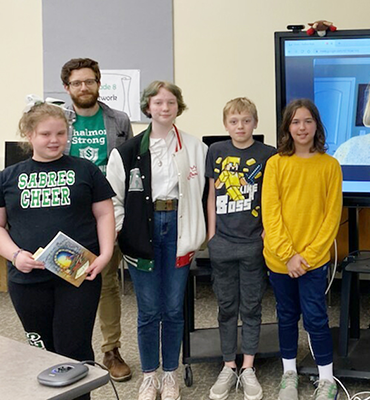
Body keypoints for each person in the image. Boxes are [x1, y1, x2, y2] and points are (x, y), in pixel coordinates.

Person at [0, 102, 115, 400]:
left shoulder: (85, 170)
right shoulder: (9, 177)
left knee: (73, 350)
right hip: (26, 279)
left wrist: (104, 255)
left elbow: (104, 214)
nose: (55, 140)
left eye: (61, 133)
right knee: (39, 351)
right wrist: (15, 255)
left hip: (77, 274)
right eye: (46, 134)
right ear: (29, 135)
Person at [106, 81, 207, 400]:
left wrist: (200, 232)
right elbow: (113, 200)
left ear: (179, 107)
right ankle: (149, 376)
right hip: (142, 232)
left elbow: (205, 193)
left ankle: (170, 374)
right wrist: (125, 231)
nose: (165, 108)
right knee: (149, 310)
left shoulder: (195, 147)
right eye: (158, 102)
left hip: (178, 229)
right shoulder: (126, 152)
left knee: (174, 309)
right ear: (147, 107)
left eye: (171, 102)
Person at [262, 99, 342, 400]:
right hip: (280, 260)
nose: (302, 127)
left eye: (308, 121)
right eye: (295, 122)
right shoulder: (276, 164)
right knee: (286, 316)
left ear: (316, 126)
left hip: (313, 262)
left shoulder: (330, 165)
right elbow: (271, 213)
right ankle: (289, 374)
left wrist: (306, 257)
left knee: (316, 318)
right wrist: (288, 255)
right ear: (287, 127)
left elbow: (331, 216)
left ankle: (326, 380)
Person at [61, 57, 133, 381]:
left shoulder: (119, 120)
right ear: (67, 87)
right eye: (77, 83)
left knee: (106, 286)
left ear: (99, 83)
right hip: (70, 216)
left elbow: (128, 168)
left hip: (108, 216)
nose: (83, 87)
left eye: (89, 81)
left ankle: (111, 349)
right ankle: (67, 350)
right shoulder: (59, 120)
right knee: (67, 285)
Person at [206, 97, 276, 400]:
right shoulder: (216, 152)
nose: (240, 126)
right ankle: (228, 364)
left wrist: (266, 232)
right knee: (226, 307)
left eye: (246, 121)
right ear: (226, 125)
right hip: (222, 242)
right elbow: (211, 195)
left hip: (252, 244)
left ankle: (248, 367)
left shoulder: (268, 155)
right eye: (234, 121)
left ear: (255, 123)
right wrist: (211, 234)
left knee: (251, 306)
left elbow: (272, 198)